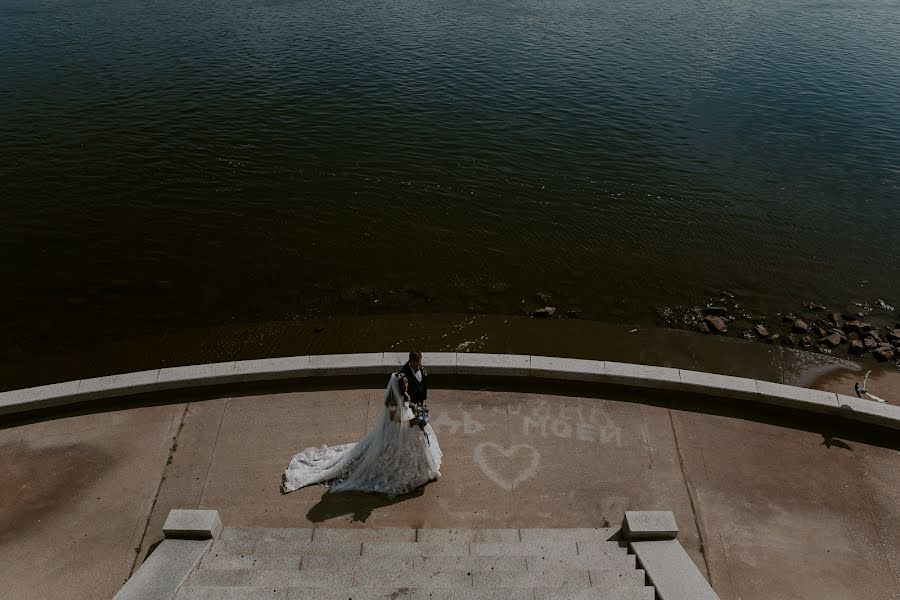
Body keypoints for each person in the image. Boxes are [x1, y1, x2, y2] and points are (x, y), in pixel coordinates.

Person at [281, 372, 441, 497]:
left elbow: (406, 403)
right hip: (396, 429)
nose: (406, 385)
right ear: (398, 385)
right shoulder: (392, 399)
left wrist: (414, 408)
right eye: (404, 383)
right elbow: (394, 418)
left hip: (406, 423)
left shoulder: (402, 393)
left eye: (406, 382)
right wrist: (411, 422)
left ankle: (424, 468)